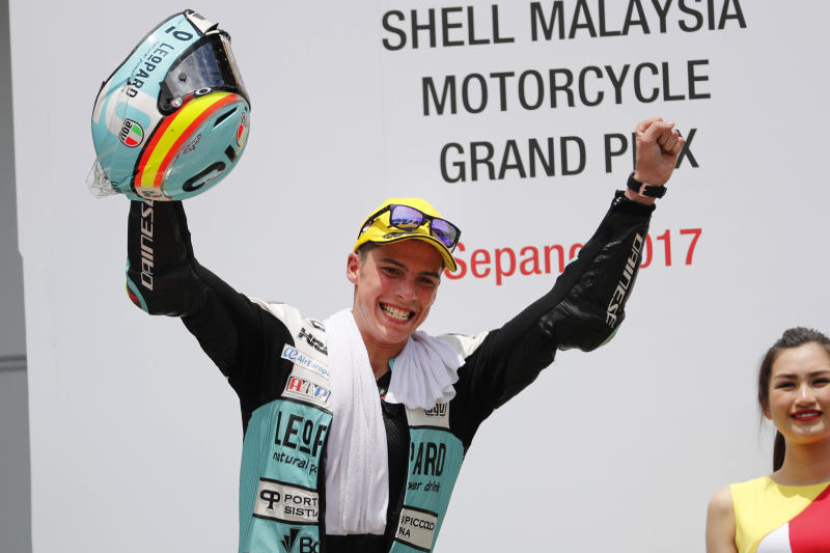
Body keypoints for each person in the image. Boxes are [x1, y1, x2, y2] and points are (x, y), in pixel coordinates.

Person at [124, 117, 683, 553]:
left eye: (425, 280)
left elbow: (571, 312)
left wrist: (641, 194)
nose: (407, 294)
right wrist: (153, 174)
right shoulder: (281, 347)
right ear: (354, 268)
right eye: (391, 270)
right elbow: (173, 282)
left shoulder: (454, 376)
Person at [706, 327, 830, 553]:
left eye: (820, 381)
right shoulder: (730, 507)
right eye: (787, 385)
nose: (804, 398)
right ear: (765, 405)